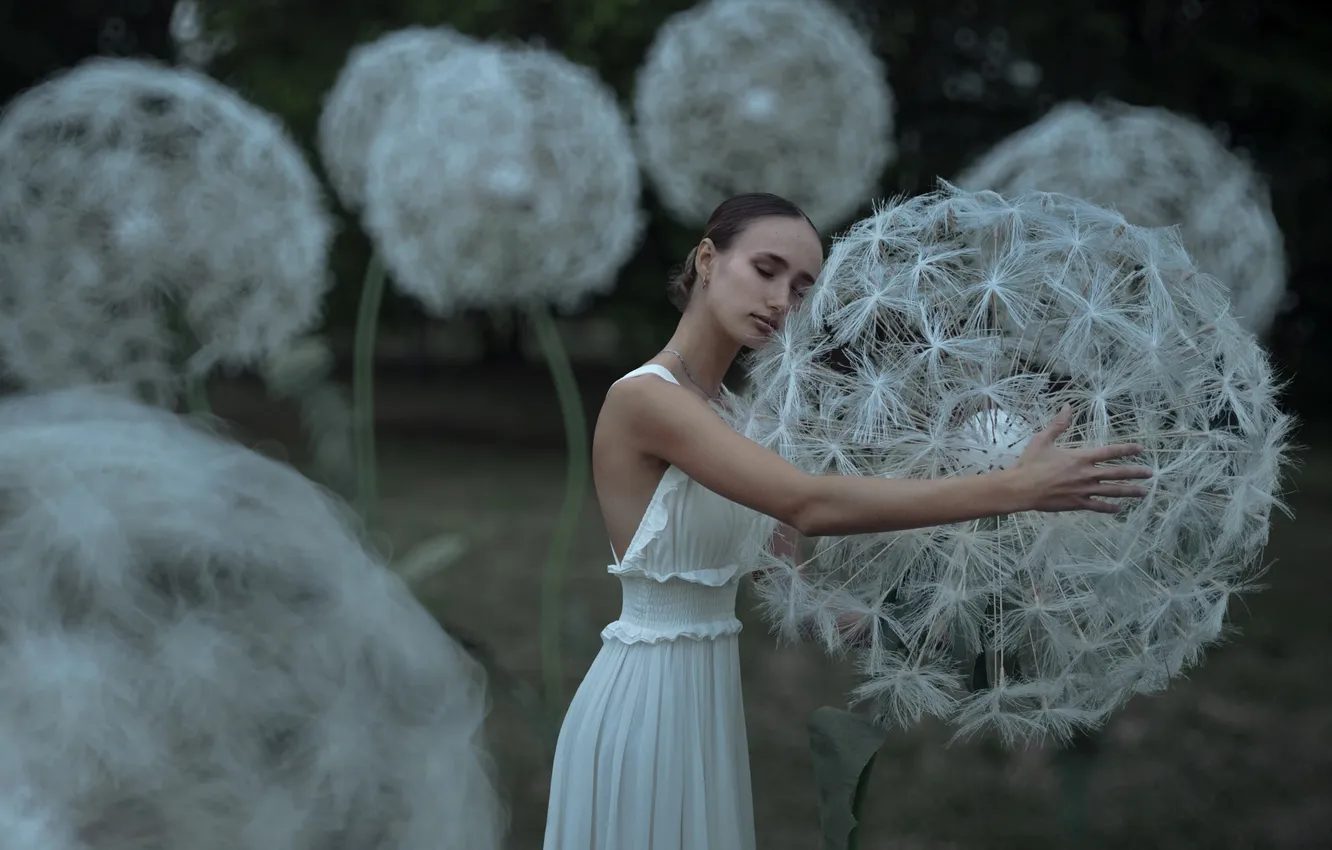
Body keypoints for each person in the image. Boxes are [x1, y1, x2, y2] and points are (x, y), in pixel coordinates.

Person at [542, 193, 1152, 849]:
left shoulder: (734, 416)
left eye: (803, 287)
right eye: (767, 269)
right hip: (646, 701)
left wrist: (920, 620)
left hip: (703, 698)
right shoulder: (645, 400)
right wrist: (1013, 488)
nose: (782, 301)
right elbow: (809, 504)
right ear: (709, 259)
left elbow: (786, 573)